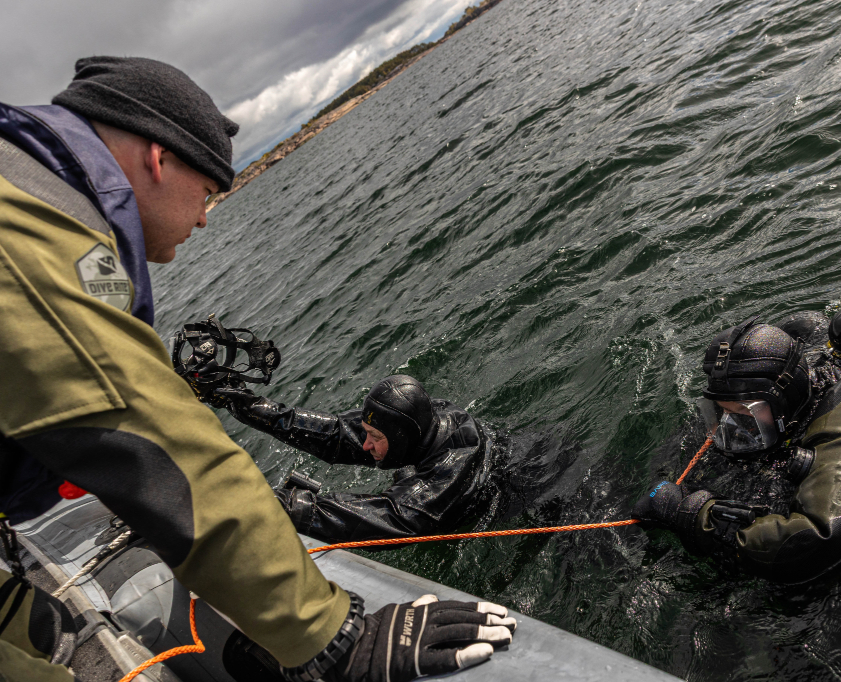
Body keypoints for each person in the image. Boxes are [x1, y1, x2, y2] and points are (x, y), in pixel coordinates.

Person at [0, 57, 514, 681]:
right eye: (209, 192)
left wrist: (328, 627)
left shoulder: (31, 203)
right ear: (159, 160)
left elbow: (147, 444)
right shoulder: (31, 229)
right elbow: (336, 438)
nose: (204, 218)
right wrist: (252, 409)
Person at [632, 312, 841, 584]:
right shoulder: (765, 399)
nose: (730, 423)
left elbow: (823, 538)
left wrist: (696, 516)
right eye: (722, 409)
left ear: (784, 400)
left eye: (744, 410)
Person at [203, 372, 497, 543]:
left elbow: (396, 516)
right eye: (368, 433)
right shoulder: (421, 418)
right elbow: (336, 433)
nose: (366, 444)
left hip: (514, 496)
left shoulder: (454, 462)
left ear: (401, 438)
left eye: (376, 438)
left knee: (406, 484)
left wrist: (295, 509)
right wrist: (247, 404)